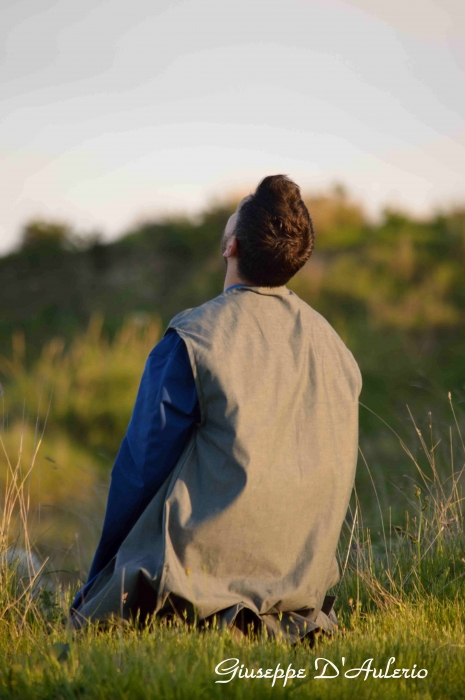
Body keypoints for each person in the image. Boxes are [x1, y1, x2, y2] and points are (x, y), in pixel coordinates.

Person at [71, 174, 362, 643]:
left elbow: (140, 469)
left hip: (198, 587)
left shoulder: (194, 337)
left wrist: (105, 573)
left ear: (231, 247)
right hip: (301, 588)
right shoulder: (336, 348)